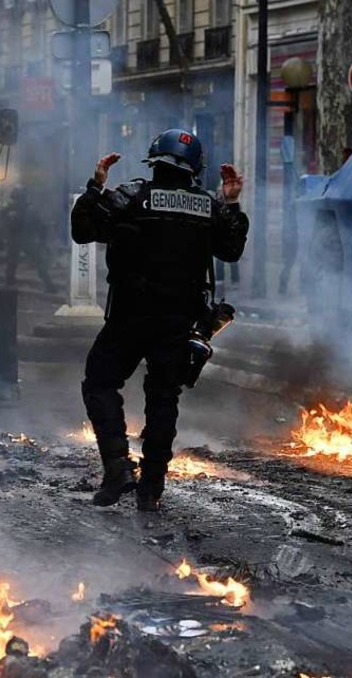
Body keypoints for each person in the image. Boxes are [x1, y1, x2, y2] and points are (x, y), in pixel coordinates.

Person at [71, 129, 248, 511]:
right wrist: (231, 203)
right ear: (195, 170)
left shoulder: (132, 196)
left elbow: (82, 230)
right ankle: (151, 487)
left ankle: (118, 468)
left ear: (154, 162)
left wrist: (94, 187)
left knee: (100, 383)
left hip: (129, 317)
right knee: (164, 397)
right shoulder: (208, 206)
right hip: (179, 323)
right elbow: (231, 250)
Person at [4, 183, 57, 293]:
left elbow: (41, 226)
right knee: (15, 263)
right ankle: (48, 285)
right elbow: (41, 226)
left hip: (24, 240)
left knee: (17, 262)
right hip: (20, 240)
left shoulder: (15, 210)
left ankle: (48, 285)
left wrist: (42, 240)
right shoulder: (12, 210)